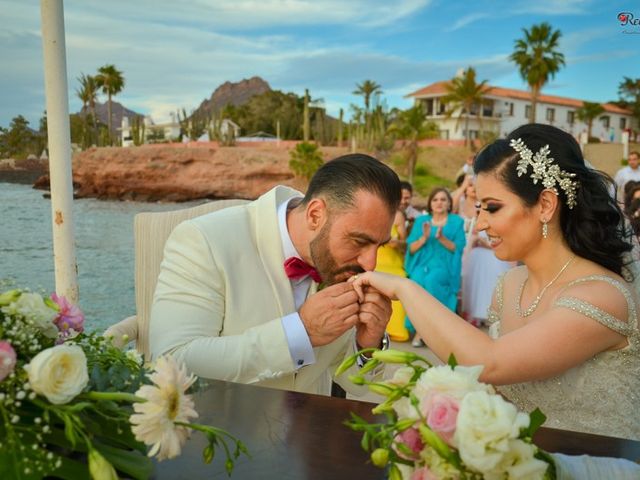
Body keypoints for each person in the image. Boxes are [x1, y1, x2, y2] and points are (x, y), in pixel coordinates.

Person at [352, 123, 640, 440]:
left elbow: (490, 363)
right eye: (479, 209)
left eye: (492, 208)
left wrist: (403, 288)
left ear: (545, 205)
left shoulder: (601, 295)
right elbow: (500, 397)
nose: (481, 224)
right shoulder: (509, 285)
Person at [149, 153, 401, 396]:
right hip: (223, 431)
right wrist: (301, 333)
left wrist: (367, 344)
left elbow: (357, 386)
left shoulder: (343, 268)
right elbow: (173, 362)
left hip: (308, 433)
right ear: (315, 215)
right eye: (358, 241)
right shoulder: (204, 241)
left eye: (379, 245)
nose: (370, 263)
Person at [404, 187, 466, 347]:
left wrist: (442, 239)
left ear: (449, 203)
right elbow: (411, 249)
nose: (439, 203)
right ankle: (420, 327)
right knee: (416, 281)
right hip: (423, 262)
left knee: (432, 280)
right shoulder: (421, 221)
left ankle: (424, 331)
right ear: (430, 204)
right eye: (435, 200)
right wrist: (424, 238)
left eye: (443, 199)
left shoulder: (456, 221)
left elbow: (458, 248)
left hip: (444, 264)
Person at [375, 200, 409, 342]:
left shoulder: (399, 215)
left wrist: (396, 243)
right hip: (375, 261)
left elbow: (404, 244)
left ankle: (394, 330)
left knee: (401, 282)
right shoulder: (373, 210)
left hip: (393, 263)